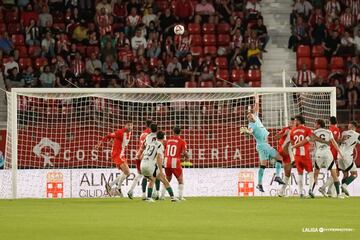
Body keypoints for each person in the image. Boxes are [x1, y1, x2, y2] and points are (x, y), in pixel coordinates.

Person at [240, 94, 285, 192]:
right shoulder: (251, 124)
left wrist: (257, 97)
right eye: (248, 116)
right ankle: (259, 184)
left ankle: (277, 176)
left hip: (267, 145)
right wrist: (247, 131)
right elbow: (251, 131)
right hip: (262, 146)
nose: (249, 116)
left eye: (249, 114)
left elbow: (257, 106)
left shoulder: (256, 117)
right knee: (263, 165)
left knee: (279, 158)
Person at [290, 115, 329, 198]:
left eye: (296, 121)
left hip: (297, 155)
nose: (294, 122)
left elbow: (293, 144)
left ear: (299, 121)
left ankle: (300, 193)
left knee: (300, 174)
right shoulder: (307, 130)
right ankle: (310, 189)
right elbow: (313, 137)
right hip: (305, 156)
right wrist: (325, 142)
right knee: (311, 173)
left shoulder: (292, 131)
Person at [96, 121, 133, 197]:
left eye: (131, 125)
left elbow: (116, 139)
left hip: (122, 155)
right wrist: (100, 143)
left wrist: (113, 141)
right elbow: (108, 136)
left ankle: (111, 186)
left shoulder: (130, 133)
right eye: (128, 125)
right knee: (127, 172)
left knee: (126, 173)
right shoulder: (120, 132)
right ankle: (116, 188)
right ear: (125, 125)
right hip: (117, 154)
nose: (130, 127)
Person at [140, 131, 179, 202]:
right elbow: (159, 157)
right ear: (164, 137)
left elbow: (141, 156)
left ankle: (173, 197)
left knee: (162, 179)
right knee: (153, 179)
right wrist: (161, 170)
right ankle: (149, 198)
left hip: (143, 164)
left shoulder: (150, 143)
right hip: (150, 165)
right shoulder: (160, 145)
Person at [312, 119, 343, 198]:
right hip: (328, 154)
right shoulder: (329, 132)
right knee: (334, 174)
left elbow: (311, 142)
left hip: (319, 153)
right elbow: (334, 143)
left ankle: (311, 192)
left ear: (319, 125)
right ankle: (339, 194)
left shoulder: (314, 132)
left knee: (315, 174)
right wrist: (339, 151)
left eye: (315, 123)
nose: (314, 125)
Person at [160, 126, 189, 200]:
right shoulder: (182, 141)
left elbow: (163, 148)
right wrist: (187, 157)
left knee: (167, 179)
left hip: (166, 161)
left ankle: (162, 195)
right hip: (175, 162)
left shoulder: (168, 141)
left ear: (173, 132)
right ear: (180, 132)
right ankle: (180, 196)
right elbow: (184, 152)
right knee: (180, 179)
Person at [127, 119, 153, 200]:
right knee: (147, 176)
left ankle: (131, 190)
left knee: (139, 175)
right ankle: (145, 195)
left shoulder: (142, 134)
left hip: (138, 155)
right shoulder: (151, 134)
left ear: (145, 125)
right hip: (144, 156)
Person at [337, 121, 360, 197]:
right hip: (348, 156)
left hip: (339, 155)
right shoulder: (357, 135)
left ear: (352, 126)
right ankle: (345, 185)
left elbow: (340, 141)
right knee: (354, 174)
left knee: (345, 174)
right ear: (355, 128)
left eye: (349, 126)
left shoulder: (344, 133)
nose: (348, 127)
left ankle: (342, 193)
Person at [275, 118, 295, 197]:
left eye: (293, 122)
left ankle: (281, 192)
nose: (291, 123)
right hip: (282, 150)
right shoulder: (285, 129)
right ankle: (293, 159)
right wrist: (284, 134)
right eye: (291, 122)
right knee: (289, 144)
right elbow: (275, 137)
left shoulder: (297, 132)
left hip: (288, 155)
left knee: (288, 174)